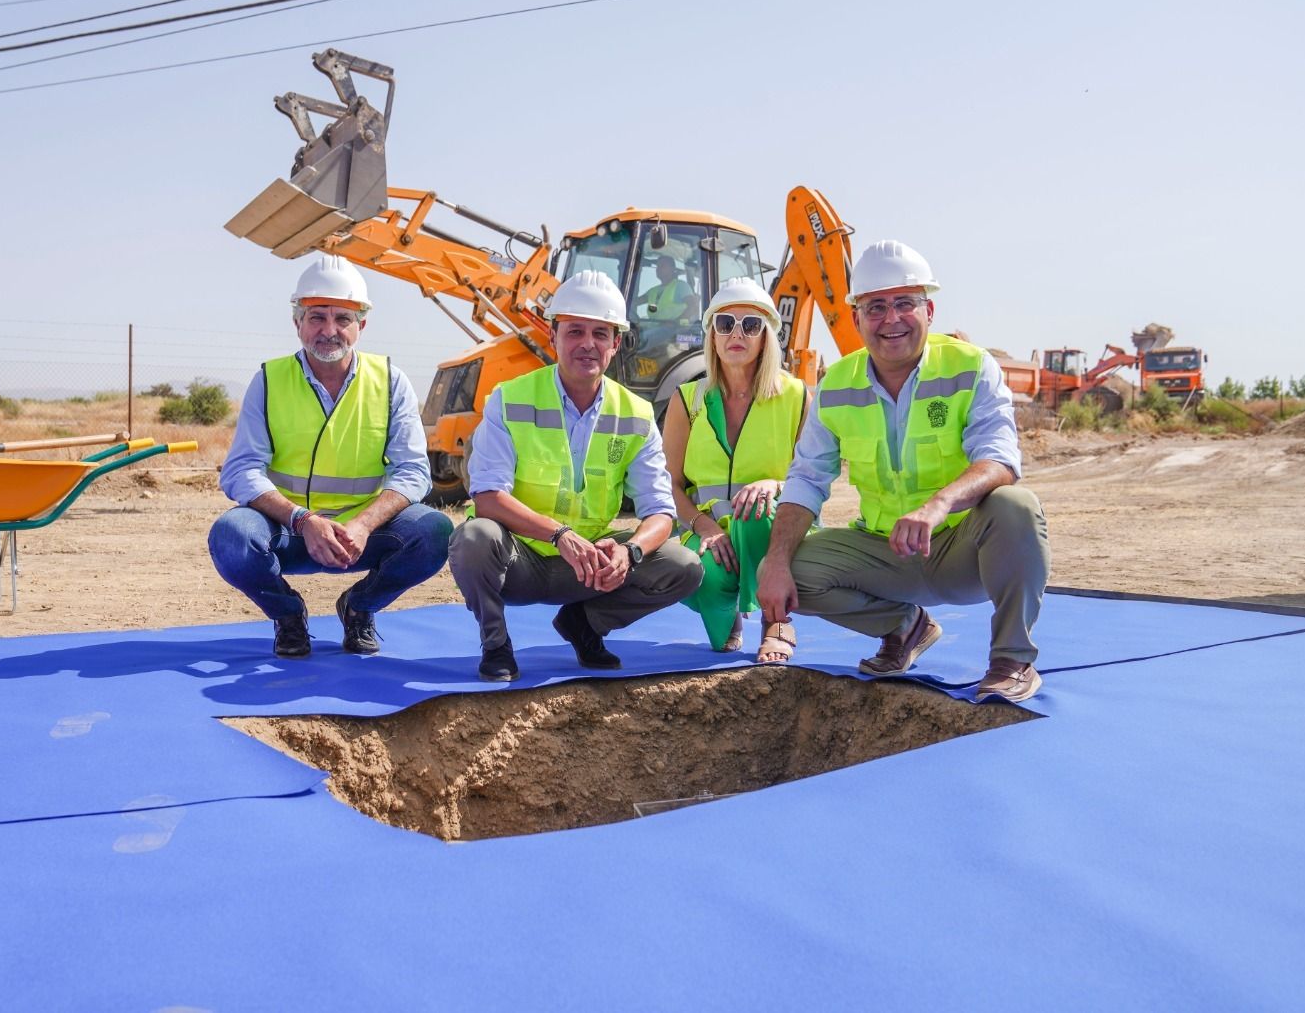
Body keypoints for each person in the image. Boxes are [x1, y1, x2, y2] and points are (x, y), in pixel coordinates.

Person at [755, 240, 1050, 703]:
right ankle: (904, 626)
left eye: (904, 303)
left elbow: (1000, 460)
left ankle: (1012, 660)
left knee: (1016, 506)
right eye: (875, 307)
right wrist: (774, 563)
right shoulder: (836, 386)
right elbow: (807, 479)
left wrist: (938, 505)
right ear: (856, 318)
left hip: (961, 551)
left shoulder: (971, 368)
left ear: (929, 310)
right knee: (785, 568)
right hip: (884, 553)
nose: (891, 319)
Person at [448, 270, 703, 682]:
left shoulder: (636, 415)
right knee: (474, 538)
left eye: (601, 333)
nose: (588, 343)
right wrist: (560, 535)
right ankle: (495, 643)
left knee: (683, 565)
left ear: (616, 343)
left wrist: (630, 552)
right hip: (520, 560)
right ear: (553, 336)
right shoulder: (510, 399)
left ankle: (583, 624)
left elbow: (660, 511)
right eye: (575, 331)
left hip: (591, 568)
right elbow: (487, 497)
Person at [208, 254, 453, 658]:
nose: (329, 330)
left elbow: (413, 472)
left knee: (435, 532)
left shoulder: (390, 381)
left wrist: (362, 524)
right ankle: (288, 616)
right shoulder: (269, 381)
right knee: (231, 536)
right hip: (288, 530)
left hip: (362, 534)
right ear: (297, 323)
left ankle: (359, 608)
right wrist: (303, 521)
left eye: (342, 318)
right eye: (317, 317)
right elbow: (240, 471)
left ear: (361, 326)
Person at [662, 277, 806, 661]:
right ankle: (729, 615)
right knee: (703, 576)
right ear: (712, 336)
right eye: (725, 324)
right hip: (707, 533)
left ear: (766, 337)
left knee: (754, 508)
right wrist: (704, 527)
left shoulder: (797, 396)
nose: (736, 333)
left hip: (770, 528)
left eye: (750, 324)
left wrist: (775, 483)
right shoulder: (687, 400)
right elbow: (669, 485)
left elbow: (815, 475)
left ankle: (775, 621)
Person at [637, 256, 697, 322]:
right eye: (657, 266)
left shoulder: (681, 286)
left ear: (672, 269)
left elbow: (693, 307)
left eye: (662, 266)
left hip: (676, 327)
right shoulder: (653, 291)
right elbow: (634, 302)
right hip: (653, 326)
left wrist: (676, 322)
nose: (658, 269)